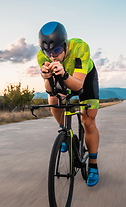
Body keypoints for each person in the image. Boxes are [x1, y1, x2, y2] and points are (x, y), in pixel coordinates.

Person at [37, 21, 100, 187]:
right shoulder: (42, 57)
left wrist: (64, 74)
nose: (52, 56)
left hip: (85, 80)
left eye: (57, 50)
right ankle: (66, 134)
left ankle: (93, 165)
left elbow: (78, 85)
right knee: (53, 99)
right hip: (62, 77)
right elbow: (50, 90)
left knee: (88, 121)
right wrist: (47, 78)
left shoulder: (80, 47)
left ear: (65, 45)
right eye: (47, 52)